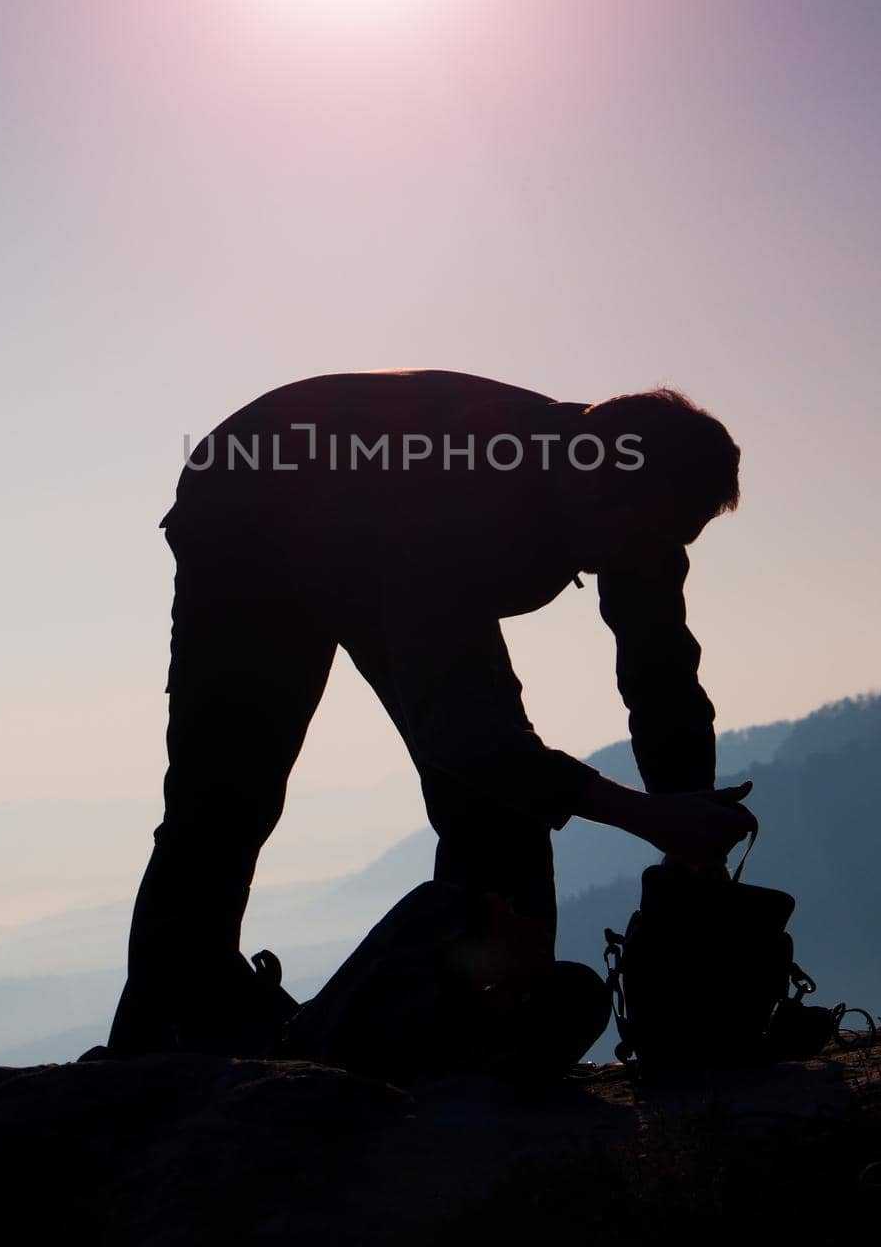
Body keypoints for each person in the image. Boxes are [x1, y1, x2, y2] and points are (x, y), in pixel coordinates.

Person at [107, 368, 756, 1055]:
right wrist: (648, 816)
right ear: (590, 487)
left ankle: (483, 1018)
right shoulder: (461, 500)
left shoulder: (637, 507)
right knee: (226, 798)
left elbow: (663, 683)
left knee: (500, 810)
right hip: (253, 522)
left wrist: (692, 837)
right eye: (650, 538)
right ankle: (150, 1045)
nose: (655, 560)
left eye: (677, 542)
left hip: (369, 526)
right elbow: (466, 735)